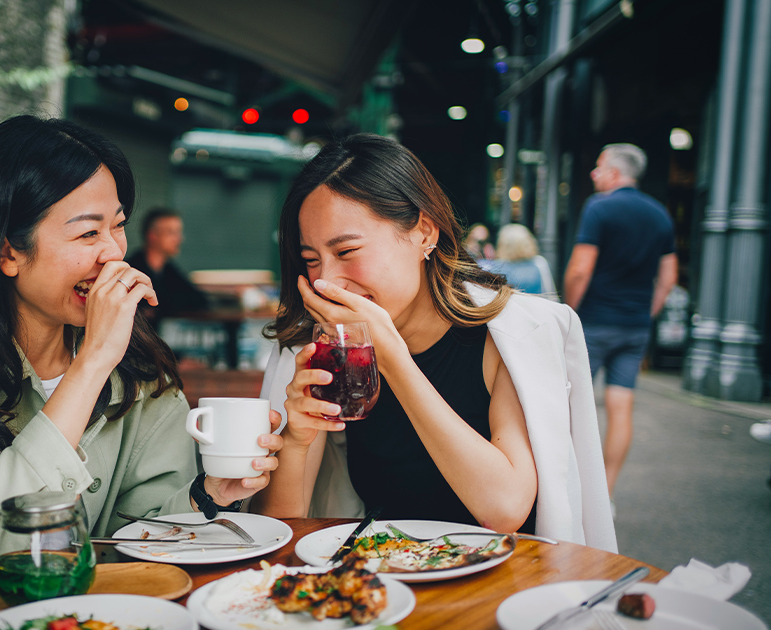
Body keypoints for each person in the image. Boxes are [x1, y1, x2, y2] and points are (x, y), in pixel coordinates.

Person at [0, 116, 283, 630]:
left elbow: (139, 535)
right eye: (88, 233)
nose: (114, 253)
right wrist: (92, 363)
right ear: (7, 250)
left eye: (118, 225)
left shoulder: (139, 367)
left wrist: (206, 496)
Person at [253, 134, 615, 551]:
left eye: (347, 250)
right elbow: (276, 536)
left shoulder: (511, 334)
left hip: (505, 589)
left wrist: (395, 362)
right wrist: (296, 439)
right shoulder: (322, 349)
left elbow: (503, 509)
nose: (327, 281)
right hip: (380, 587)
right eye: (312, 259)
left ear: (425, 232)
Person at [563, 143, 677, 496]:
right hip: (634, 326)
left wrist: (570, 311)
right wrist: (647, 312)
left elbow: (580, 270)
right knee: (621, 407)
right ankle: (605, 494)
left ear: (614, 172)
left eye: (598, 167)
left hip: (595, 322)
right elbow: (669, 277)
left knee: (571, 406)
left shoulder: (599, 207)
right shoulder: (660, 214)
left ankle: (568, 489)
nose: (594, 174)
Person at [125, 207, 208, 321]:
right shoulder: (131, 269)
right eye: (171, 233)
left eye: (179, 233)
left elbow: (199, 300)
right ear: (152, 236)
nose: (179, 239)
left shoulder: (169, 270)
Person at [481, 223, 556, 297]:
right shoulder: (539, 263)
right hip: (535, 307)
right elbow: (550, 292)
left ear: (502, 244)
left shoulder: (493, 267)